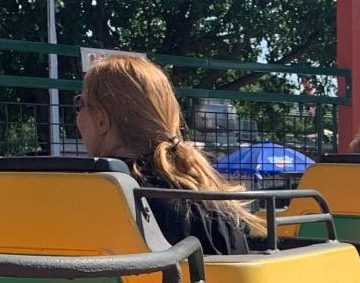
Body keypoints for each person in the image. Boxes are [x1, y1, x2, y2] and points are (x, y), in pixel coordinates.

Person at [75, 54, 260, 254]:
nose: (77, 116)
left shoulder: (87, 201)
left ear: (101, 120)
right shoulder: (216, 204)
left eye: (79, 104)